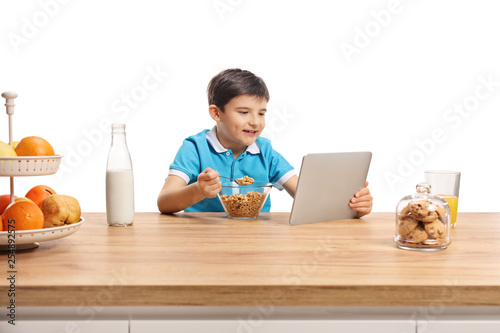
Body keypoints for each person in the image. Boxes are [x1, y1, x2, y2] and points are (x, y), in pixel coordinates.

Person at [157, 68, 373, 216]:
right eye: (243, 112)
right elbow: (164, 202)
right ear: (216, 113)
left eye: (261, 113)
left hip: (256, 242)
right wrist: (198, 190)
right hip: (201, 240)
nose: (255, 122)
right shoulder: (195, 148)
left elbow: (308, 198)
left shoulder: (265, 152)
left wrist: (354, 206)